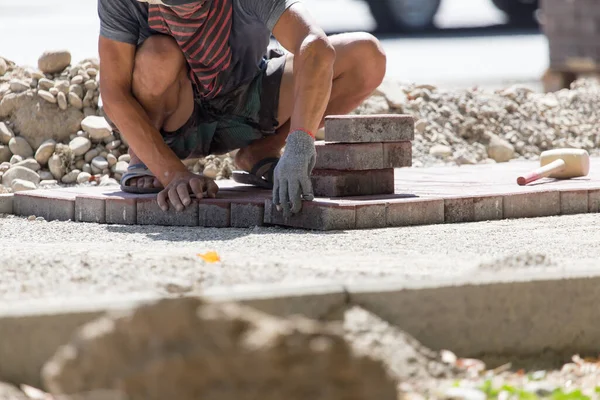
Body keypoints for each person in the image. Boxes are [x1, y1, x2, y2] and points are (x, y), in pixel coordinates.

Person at [98, 0, 386, 217]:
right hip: (172, 116)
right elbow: (114, 94)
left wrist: (299, 143)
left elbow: (315, 46)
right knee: (158, 54)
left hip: (247, 102)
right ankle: (147, 160)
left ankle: (260, 151)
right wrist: (172, 174)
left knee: (366, 56)